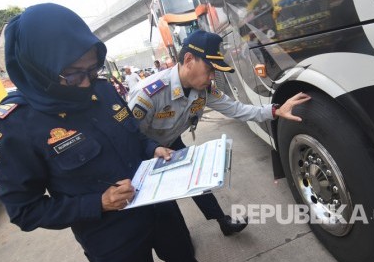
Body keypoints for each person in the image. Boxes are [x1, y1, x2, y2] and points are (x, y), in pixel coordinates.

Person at [0, 4, 202, 262]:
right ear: (39, 67)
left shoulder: (103, 90)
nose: (87, 83)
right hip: (112, 237)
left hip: (161, 210)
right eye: (74, 74)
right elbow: (24, 211)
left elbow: (134, 135)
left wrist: (153, 147)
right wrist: (98, 202)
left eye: (92, 69)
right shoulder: (15, 126)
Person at [128, 30, 311, 236]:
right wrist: (151, 151)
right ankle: (176, 238)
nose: (212, 76)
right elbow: (128, 138)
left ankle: (222, 221)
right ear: (189, 60)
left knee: (197, 183)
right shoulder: (149, 95)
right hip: (143, 152)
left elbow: (237, 109)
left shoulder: (204, 90)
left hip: (170, 142)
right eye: (209, 69)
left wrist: (275, 110)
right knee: (161, 205)